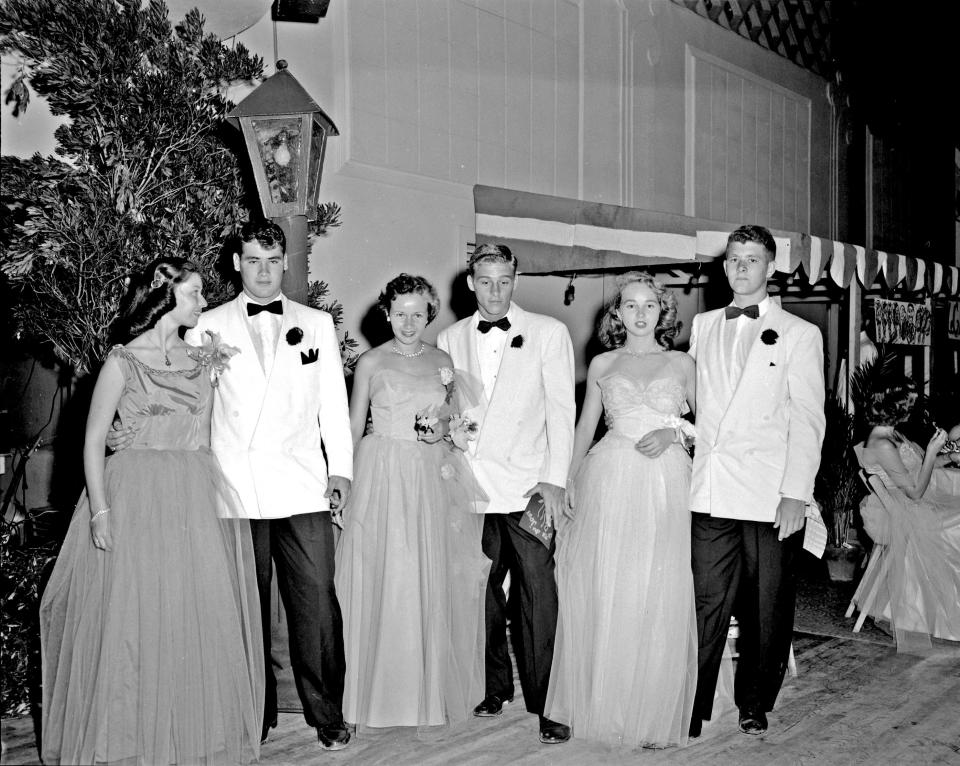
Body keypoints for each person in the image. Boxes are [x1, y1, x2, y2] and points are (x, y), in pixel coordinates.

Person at [40, 258, 264, 765]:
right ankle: (127, 736)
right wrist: (100, 511)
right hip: (134, 494)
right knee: (133, 613)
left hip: (189, 492)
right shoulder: (122, 360)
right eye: (195, 294)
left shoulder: (204, 359)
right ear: (166, 297)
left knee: (187, 610)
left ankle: (187, 732)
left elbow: (207, 434)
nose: (203, 303)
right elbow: (93, 440)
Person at [544, 272, 698, 748]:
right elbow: (584, 425)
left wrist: (676, 433)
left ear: (662, 311)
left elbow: (710, 423)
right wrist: (566, 479)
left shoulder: (682, 363)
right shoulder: (603, 362)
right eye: (629, 306)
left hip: (666, 479)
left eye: (648, 305)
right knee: (611, 583)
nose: (639, 314)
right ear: (617, 314)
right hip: (609, 477)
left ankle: (652, 710)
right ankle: (605, 704)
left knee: (659, 583)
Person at [688, 225, 825, 738]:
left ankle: (754, 702)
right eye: (734, 259)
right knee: (705, 602)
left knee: (766, 604)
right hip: (711, 488)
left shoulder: (799, 333)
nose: (741, 267)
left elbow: (809, 420)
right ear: (724, 267)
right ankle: (695, 703)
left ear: (771, 268)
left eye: (753, 259)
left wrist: (796, 493)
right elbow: (696, 406)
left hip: (770, 494)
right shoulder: (702, 324)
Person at [335, 273, 490, 728]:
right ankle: (374, 699)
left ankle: (422, 696)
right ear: (386, 312)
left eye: (417, 313)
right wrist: (342, 481)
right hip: (380, 472)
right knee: (386, 575)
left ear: (429, 315)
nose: (408, 322)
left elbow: (455, 421)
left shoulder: (443, 361)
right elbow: (352, 425)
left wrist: (444, 430)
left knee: (425, 575)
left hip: (428, 476)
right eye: (399, 312)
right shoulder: (370, 362)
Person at [437, 243, 576, 745]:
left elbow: (563, 410)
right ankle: (492, 686)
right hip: (473, 488)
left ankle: (548, 704)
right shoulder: (450, 338)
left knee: (538, 594)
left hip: (528, 488)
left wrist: (555, 480)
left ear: (515, 280)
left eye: (504, 281)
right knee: (480, 594)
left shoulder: (548, 332)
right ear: (470, 282)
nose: (495, 291)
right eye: (485, 281)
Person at [855, 381, 960, 652]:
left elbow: (920, 469)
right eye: (909, 407)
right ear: (898, 410)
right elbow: (914, 491)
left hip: (914, 504)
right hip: (904, 510)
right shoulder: (881, 444)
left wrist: (947, 457)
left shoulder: (894, 435)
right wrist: (933, 452)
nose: (912, 411)